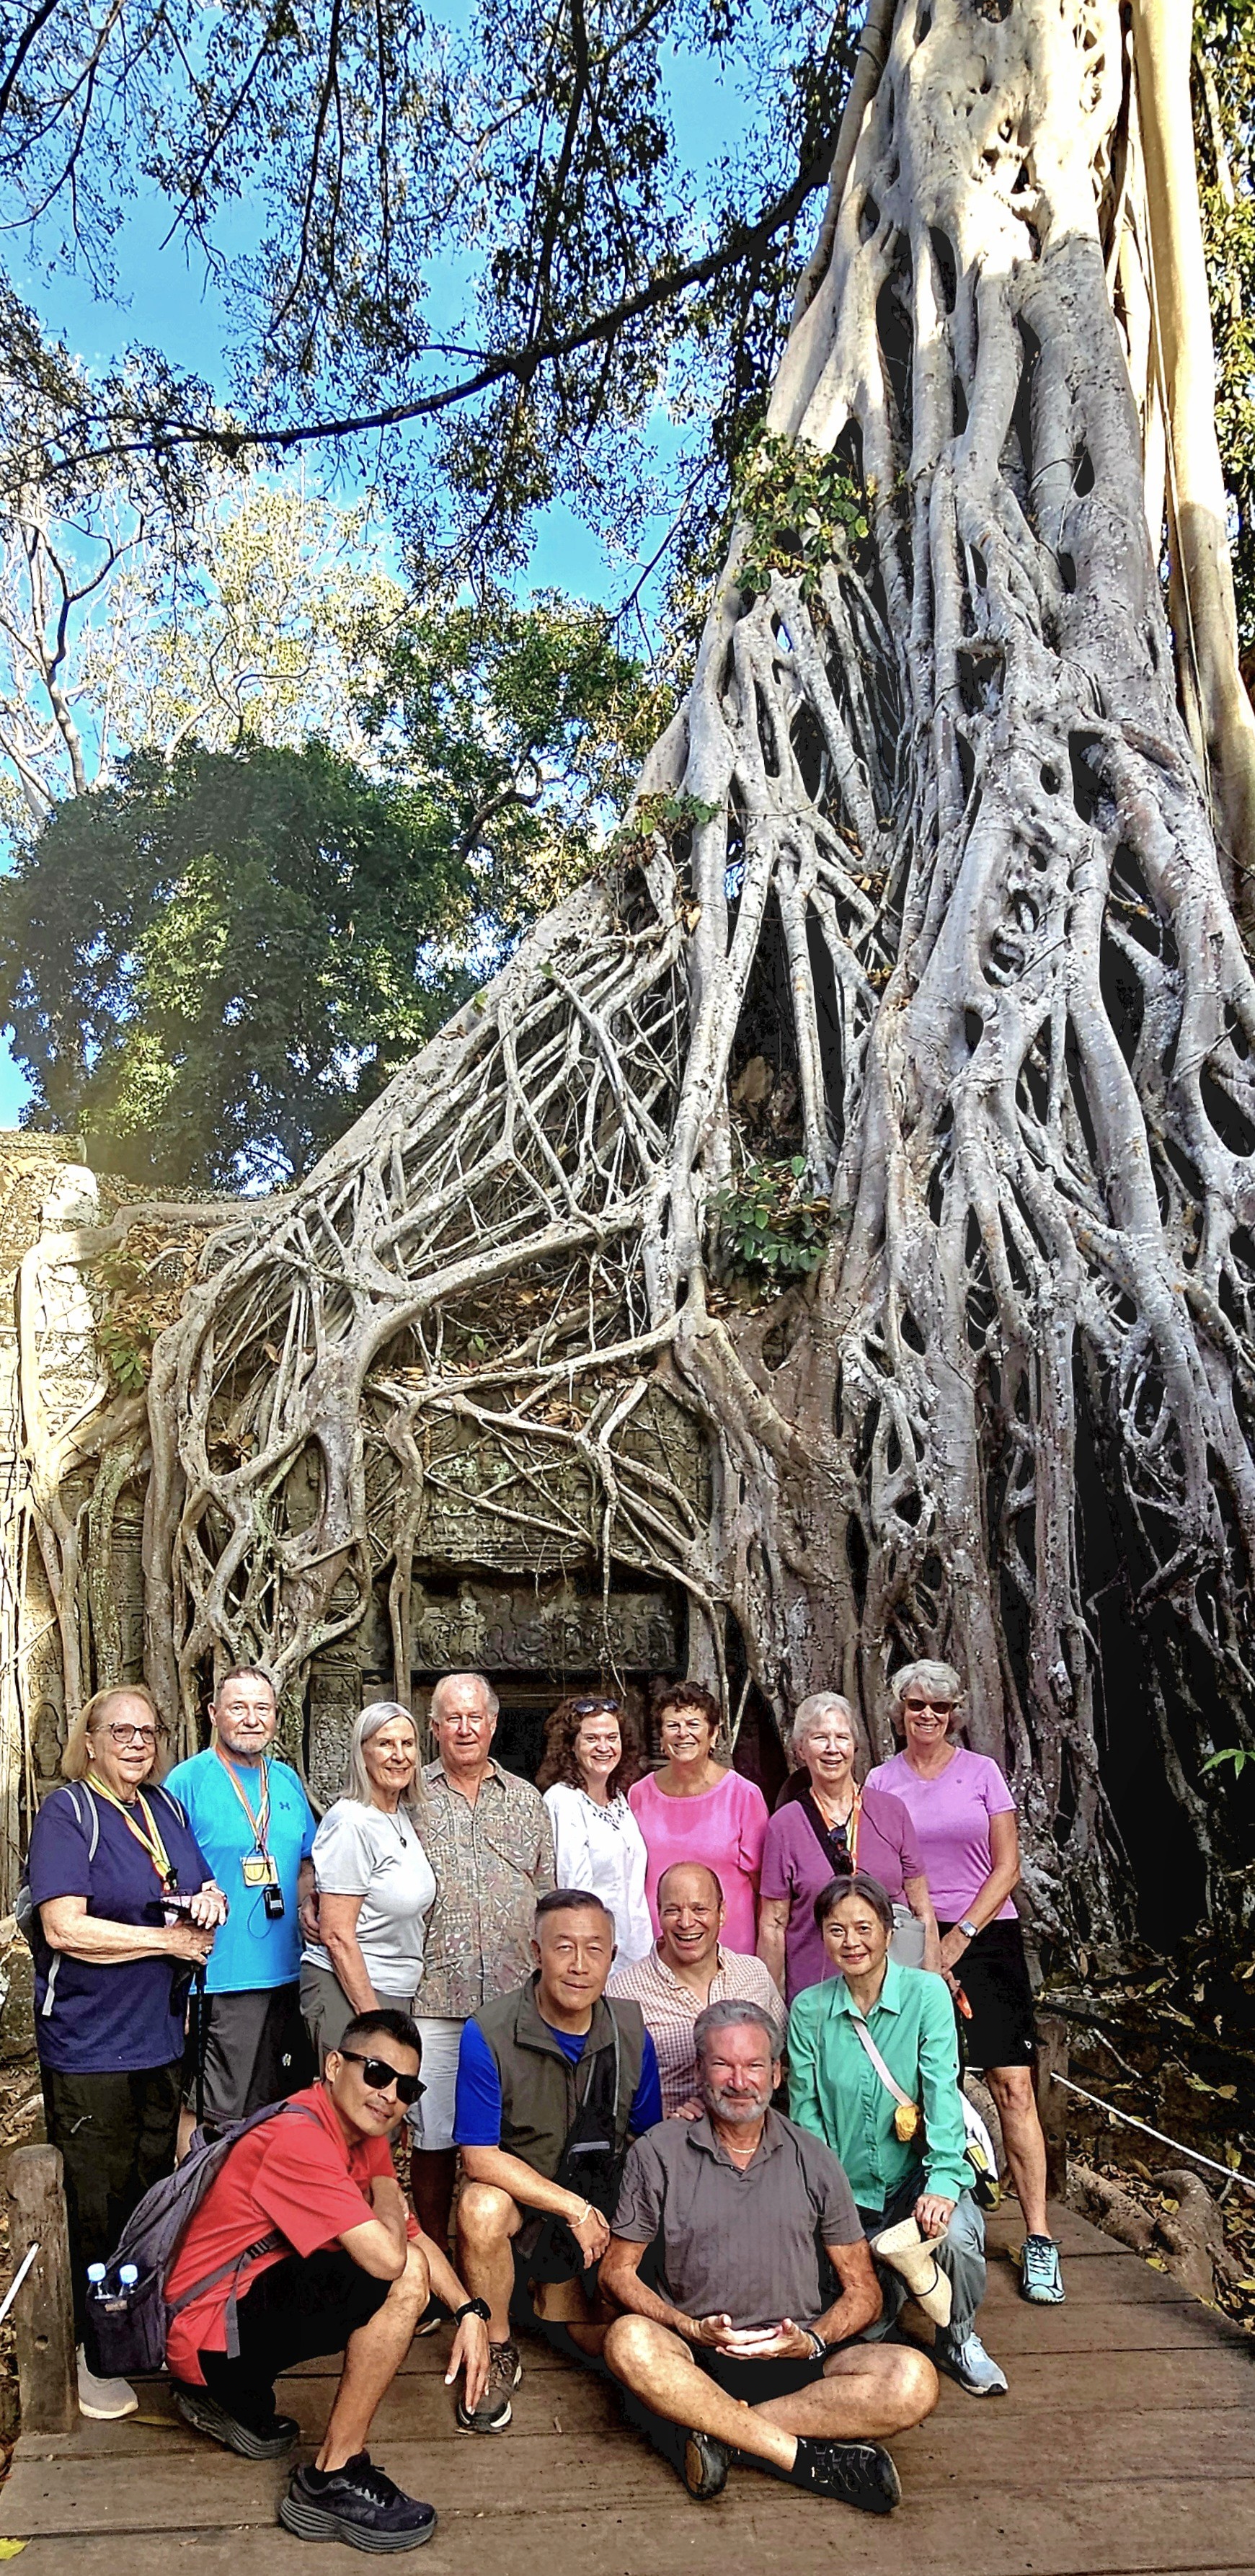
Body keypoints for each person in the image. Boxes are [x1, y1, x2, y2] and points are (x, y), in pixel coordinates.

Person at [165, 2007, 491, 2551]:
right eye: (377, 2073)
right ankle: (331, 2477)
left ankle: (229, 2402)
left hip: (226, 2318)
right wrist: (388, 2187)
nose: (389, 2094)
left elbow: (410, 2231)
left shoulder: (355, 2126)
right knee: (402, 2277)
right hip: (206, 2337)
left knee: (402, 2259)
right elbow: (395, 2257)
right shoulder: (300, 2137)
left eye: (406, 2087)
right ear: (335, 2064)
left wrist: (469, 2310)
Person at [600, 2000, 937, 2513]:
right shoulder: (658, 2151)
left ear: (776, 2073)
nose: (739, 2080)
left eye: (754, 2065)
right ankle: (805, 2459)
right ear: (699, 2070)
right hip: (695, 2357)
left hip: (797, 2359)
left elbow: (863, 2289)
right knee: (627, 2340)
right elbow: (615, 2271)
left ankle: (720, 2432)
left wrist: (812, 2339)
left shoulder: (815, 2157)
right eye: (723, 2064)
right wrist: (686, 2328)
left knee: (912, 2379)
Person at [27, 1683, 227, 2422]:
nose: (137, 1743)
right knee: (95, 2200)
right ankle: (91, 2349)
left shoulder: (164, 1808)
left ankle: (135, 2322)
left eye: (147, 1731)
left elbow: (198, 1886)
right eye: (121, 1731)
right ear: (91, 1739)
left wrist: (207, 1905)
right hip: (89, 2044)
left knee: (150, 2191)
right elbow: (63, 1928)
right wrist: (167, 1940)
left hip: (159, 2034)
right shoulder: (68, 1813)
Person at [865, 1660, 1066, 2304]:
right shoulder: (879, 1780)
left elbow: (1006, 1867)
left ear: (955, 1712)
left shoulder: (982, 1773)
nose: (927, 1715)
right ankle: (924, 2220)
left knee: (1011, 2084)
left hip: (986, 1933)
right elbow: (877, 1871)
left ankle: (1037, 2236)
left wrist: (959, 1940)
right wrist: (923, 1946)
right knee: (920, 2081)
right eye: (916, 1704)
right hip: (906, 1935)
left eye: (940, 1706)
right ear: (898, 1708)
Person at [788, 1872, 1008, 2397]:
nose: (852, 1941)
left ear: (889, 1931)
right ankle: (882, 2321)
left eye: (864, 1926)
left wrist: (940, 2183)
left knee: (955, 2235)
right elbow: (806, 2117)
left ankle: (958, 2336)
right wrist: (830, 2205)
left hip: (917, 2175)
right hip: (846, 2188)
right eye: (836, 1929)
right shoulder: (808, 2010)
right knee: (860, 2317)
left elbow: (941, 2097)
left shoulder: (926, 1993)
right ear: (822, 1936)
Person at [454, 1888, 662, 2433]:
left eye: (594, 1949)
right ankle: (498, 2343)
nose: (578, 1964)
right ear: (535, 1951)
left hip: (604, 2198)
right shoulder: (489, 2031)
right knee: (479, 2206)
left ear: (613, 1957)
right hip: (530, 2199)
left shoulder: (631, 2031)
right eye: (563, 1946)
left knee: (607, 2342)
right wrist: (571, 2208)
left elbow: (651, 2138)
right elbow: (478, 2156)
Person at [408, 1672, 555, 2250]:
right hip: (434, 1993)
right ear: (435, 1726)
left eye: (476, 1717)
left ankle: (502, 2257)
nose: (465, 1728)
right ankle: (434, 2259)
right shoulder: (408, 1794)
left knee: (509, 2132)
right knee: (434, 2132)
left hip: (513, 1998)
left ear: (492, 1723)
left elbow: (548, 1892)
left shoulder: (527, 1800)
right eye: (453, 1717)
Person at [164, 1664, 317, 2135]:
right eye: (237, 1707)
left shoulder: (287, 1780)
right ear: (213, 1713)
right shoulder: (187, 1782)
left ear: (275, 1717)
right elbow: (163, 1876)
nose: (251, 1719)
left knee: (277, 2107)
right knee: (213, 2112)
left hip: (290, 1973)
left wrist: (310, 1901)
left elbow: (307, 1861)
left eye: (262, 1708)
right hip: (220, 1978)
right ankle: (199, 2201)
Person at [758, 1693, 940, 2004]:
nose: (832, 1749)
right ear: (801, 1749)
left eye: (842, 1737)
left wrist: (933, 1993)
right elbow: (773, 1924)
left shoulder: (891, 1812)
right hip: (816, 1994)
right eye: (820, 1738)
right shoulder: (784, 1824)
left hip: (895, 1991)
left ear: (855, 1747)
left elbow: (922, 1908)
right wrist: (771, 2009)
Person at [300, 1702, 436, 2064]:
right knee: (352, 2114)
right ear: (362, 1752)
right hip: (350, 1991)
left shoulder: (399, 1815)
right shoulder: (352, 1822)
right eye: (385, 1744)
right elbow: (337, 1935)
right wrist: (375, 2023)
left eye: (408, 1744)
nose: (399, 1755)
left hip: (394, 1989)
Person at [609, 1861, 785, 2116]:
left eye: (699, 1909)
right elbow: (614, 2096)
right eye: (673, 1911)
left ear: (721, 1913)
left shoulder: (754, 1974)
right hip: (666, 2146)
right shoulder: (623, 1993)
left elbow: (782, 2059)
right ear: (658, 1914)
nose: (686, 1922)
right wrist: (661, 2127)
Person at [628, 1682, 768, 1952]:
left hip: (729, 1945)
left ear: (713, 1734)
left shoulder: (743, 1795)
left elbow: (762, 1883)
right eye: (673, 1726)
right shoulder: (639, 1794)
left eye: (693, 1724)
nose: (683, 1734)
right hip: (657, 1945)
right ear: (661, 1736)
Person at [538, 1693, 652, 1962]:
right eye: (592, 1739)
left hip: (634, 1953)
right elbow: (573, 1892)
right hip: (593, 1956)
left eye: (612, 1738)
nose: (604, 1747)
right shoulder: (564, 1800)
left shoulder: (619, 1798)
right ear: (571, 1746)